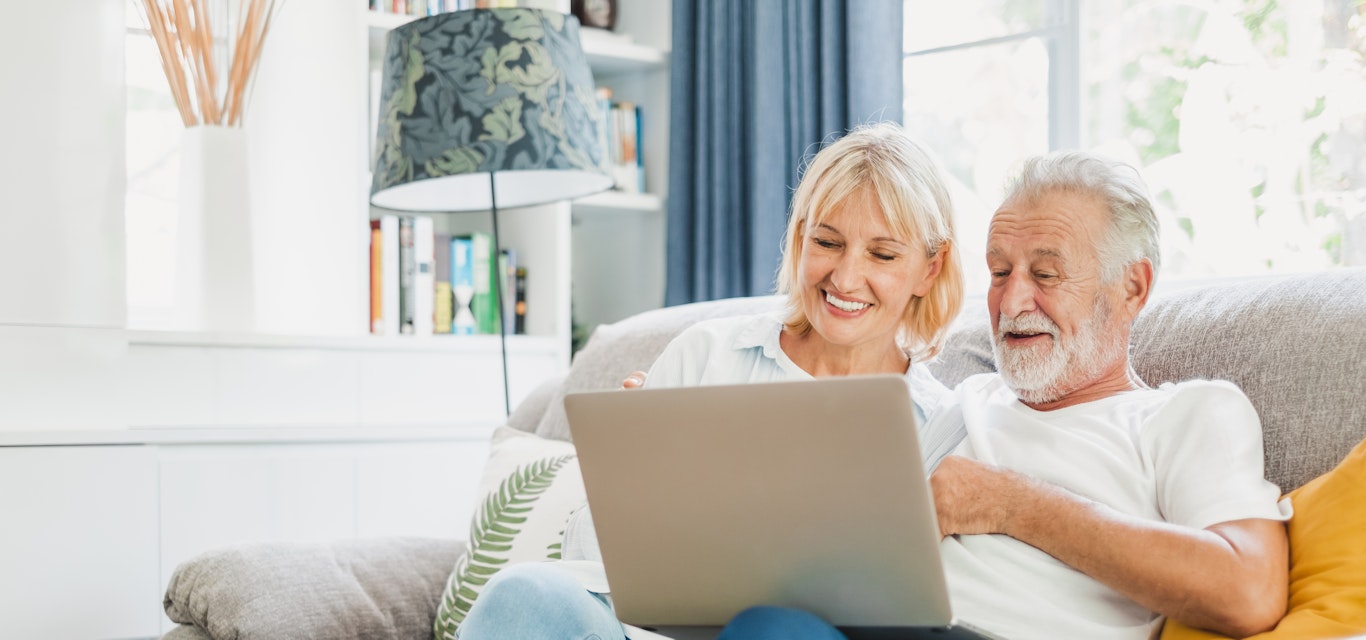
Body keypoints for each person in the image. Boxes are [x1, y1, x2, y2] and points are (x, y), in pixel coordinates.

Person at [704, 151, 1294, 639]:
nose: (1011, 304)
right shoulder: (958, 403)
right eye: (999, 271)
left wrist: (1010, 504)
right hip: (869, 625)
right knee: (767, 624)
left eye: (1045, 274)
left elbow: (1248, 592)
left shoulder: (1187, 414)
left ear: (1131, 287)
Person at [455, 121, 967, 640]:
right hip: (647, 630)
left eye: (882, 254)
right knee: (522, 594)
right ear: (799, 238)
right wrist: (631, 477)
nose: (846, 277)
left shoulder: (941, 426)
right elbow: (585, 558)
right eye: (827, 242)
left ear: (930, 268)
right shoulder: (707, 355)